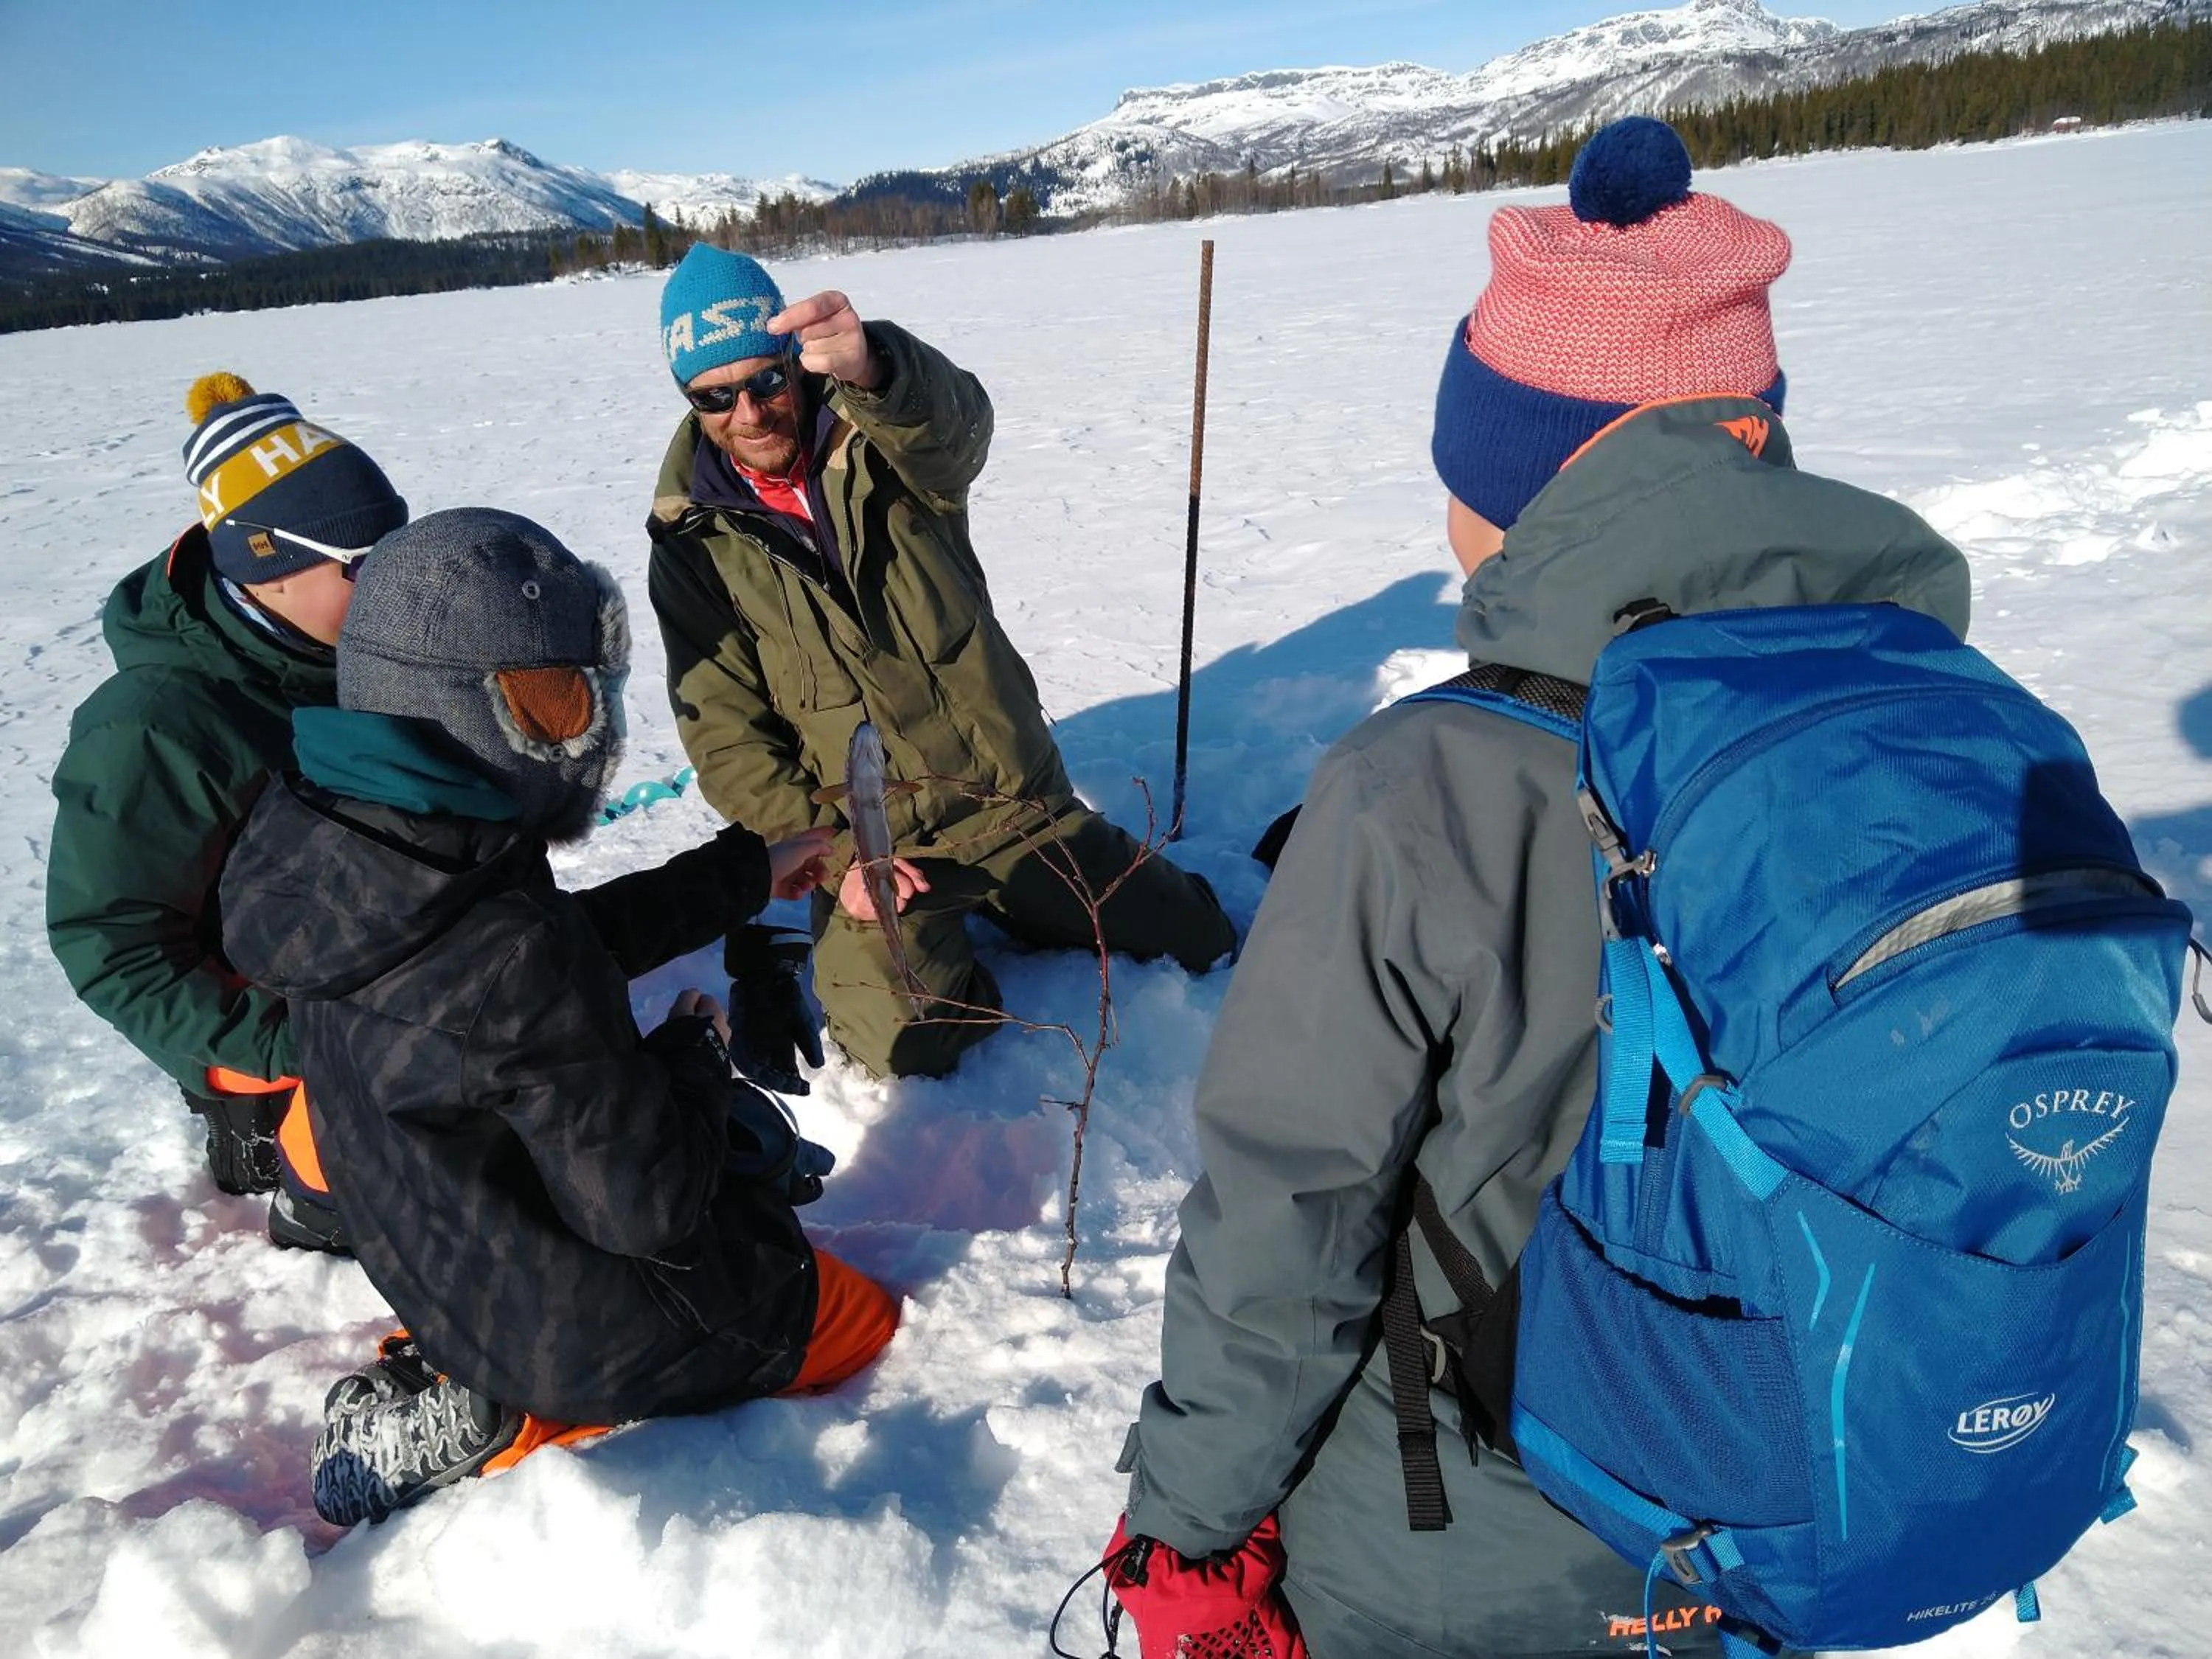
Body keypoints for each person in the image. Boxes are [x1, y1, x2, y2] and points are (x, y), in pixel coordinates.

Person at [1107, 118, 1974, 1657]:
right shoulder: (1937, 718)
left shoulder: (1425, 785)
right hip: (1809, 1486)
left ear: (1532, 483)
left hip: (1469, 1538)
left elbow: (1285, 1224)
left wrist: (1184, 1523)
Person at [218, 507, 900, 1525]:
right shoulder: (501, 940)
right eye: (550, 701)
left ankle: (466, 1360)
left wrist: (738, 873)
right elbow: (648, 1206)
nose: (585, 730)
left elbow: (536, 958)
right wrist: (693, 1057)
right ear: (449, 702)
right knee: (855, 1315)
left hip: (434, 1245)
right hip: (561, 1321)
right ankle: (519, 1412)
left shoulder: (343, 837)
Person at [646, 246, 1237, 1080]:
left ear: (794, 365)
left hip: (1012, 805)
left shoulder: (880, 440)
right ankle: (899, 947)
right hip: (877, 848)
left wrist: (877, 367)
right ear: (690, 397)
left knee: (1201, 941)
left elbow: (958, 433)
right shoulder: (691, 547)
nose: (748, 412)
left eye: (766, 382)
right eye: (716, 394)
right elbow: (727, 736)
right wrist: (838, 862)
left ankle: (1030, 907)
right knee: (910, 1047)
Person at [46, 372, 408, 1252]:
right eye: (364, 566)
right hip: (274, 1053)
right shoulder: (156, 728)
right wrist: (285, 1051)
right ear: (268, 564)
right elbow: (113, 945)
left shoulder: (355, 650)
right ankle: (300, 1179)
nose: (396, 585)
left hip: (376, 990)